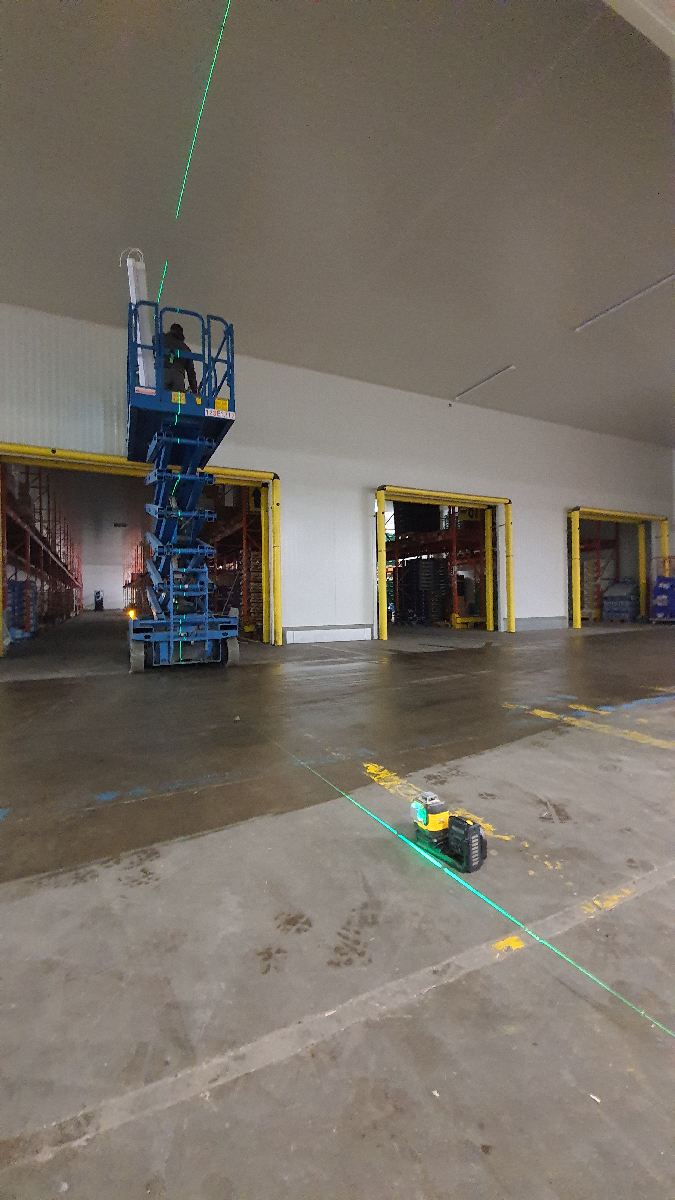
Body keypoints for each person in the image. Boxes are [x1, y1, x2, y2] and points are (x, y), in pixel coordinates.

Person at [162, 322, 199, 394]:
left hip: (164, 373)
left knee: (162, 397)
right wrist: (194, 391)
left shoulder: (162, 339)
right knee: (177, 399)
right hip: (178, 376)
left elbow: (154, 340)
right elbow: (191, 372)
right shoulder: (185, 348)